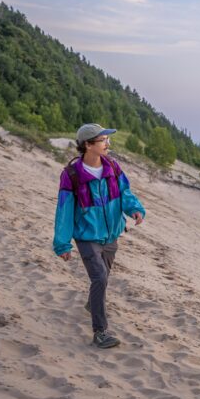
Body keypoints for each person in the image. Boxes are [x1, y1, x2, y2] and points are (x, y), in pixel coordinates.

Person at [53, 123, 146, 349]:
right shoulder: (72, 175)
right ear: (88, 144)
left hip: (111, 235)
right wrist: (63, 244)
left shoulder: (112, 167)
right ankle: (100, 332)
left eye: (107, 140)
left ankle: (93, 304)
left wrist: (134, 209)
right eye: (103, 140)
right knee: (100, 278)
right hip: (86, 237)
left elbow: (125, 192)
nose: (108, 144)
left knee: (102, 278)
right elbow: (64, 210)